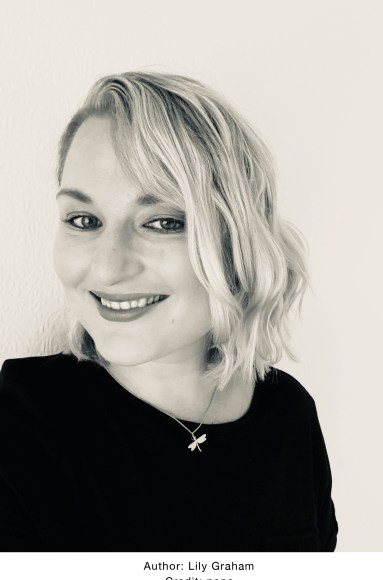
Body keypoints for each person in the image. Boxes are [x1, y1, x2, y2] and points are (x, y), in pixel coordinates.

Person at [0, 71, 338, 551]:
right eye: (84, 220)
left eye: (161, 222)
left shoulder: (289, 416)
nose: (108, 266)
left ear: (235, 239)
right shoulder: (20, 425)